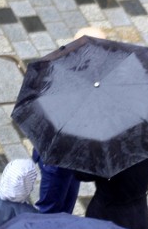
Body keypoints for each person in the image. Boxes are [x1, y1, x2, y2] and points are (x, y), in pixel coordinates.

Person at [34, 27, 106, 215]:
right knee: (49, 209)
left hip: (73, 156)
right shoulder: (60, 76)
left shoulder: (94, 75)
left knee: (66, 206)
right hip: (56, 157)